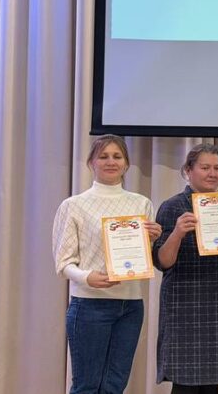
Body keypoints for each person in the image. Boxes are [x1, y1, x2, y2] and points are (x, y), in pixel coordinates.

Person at [52, 134, 163, 393]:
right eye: (103, 156)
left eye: (117, 156)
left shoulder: (142, 203)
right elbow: (63, 261)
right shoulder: (74, 205)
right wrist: (86, 277)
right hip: (89, 304)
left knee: (115, 386)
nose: (111, 162)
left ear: (126, 163)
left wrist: (152, 239)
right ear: (91, 162)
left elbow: (143, 257)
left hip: (131, 306)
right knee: (87, 386)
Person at [153, 143, 218, 393]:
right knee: (185, 385)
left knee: (212, 386)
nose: (212, 173)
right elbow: (162, 262)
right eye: (205, 167)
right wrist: (177, 233)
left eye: (217, 168)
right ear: (188, 170)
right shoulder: (172, 206)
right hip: (184, 305)